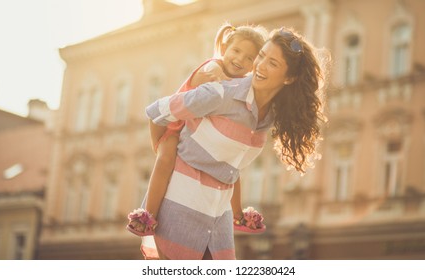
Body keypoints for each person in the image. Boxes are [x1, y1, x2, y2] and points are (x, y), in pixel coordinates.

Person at [140, 27, 328, 260]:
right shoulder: (220, 93)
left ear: (289, 78)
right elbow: (157, 112)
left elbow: (231, 168)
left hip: (218, 220)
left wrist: (239, 214)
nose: (259, 65)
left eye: (272, 63)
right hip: (179, 210)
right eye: (261, 56)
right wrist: (164, 150)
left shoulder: (270, 116)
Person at [126, 23, 270, 238]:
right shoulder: (213, 69)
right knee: (165, 161)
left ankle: (238, 215)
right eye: (236, 51)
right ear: (225, 49)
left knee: (232, 167)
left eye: (249, 58)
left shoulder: (243, 83)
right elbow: (206, 97)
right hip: (176, 127)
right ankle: (148, 215)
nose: (240, 60)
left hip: (199, 135)